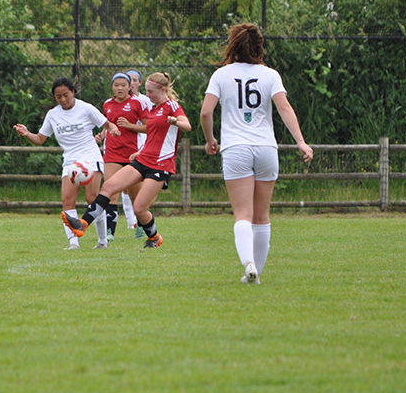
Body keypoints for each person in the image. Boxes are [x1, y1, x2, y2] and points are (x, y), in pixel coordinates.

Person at [200, 23, 313, 285]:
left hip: (236, 149)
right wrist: (301, 141)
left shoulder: (221, 75)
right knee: (262, 217)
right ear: (259, 46)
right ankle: (256, 274)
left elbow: (206, 112)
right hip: (266, 149)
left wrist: (210, 139)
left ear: (233, 45)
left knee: (242, 215)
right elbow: (284, 108)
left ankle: (247, 263)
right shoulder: (270, 75)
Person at [62, 72, 191, 249]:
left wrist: (176, 122)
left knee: (139, 208)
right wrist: (140, 152)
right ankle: (82, 224)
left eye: (150, 91)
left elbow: (187, 125)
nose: (148, 95)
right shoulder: (153, 109)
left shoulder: (172, 106)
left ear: (162, 89)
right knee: (109, 187)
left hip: (160, 164)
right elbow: (153, 137)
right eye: (146, 90)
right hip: (144, 159)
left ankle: (154, 237)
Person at [14, 76, 120, 250]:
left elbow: (106, 124)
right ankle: (73, 243)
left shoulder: (86, 108)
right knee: (67, 201)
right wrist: (27, 133)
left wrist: (113, 129)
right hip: (71, 162)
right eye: (58, 97)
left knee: (92, 199)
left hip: (90, 157)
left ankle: (102, 241)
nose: (63, 99)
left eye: (66, 95)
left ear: (73, 92)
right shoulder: (53, 115)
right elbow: (40, 139)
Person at [93, 72, 148, 242]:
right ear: (112, 87)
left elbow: (148, 127)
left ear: (129, 87)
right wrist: (102, 134)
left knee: (135, 195)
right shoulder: (107, 104)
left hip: (132, 154)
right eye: (116, 85)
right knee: (111, 191)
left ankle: (140, 227)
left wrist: (130, 126)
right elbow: (107, 123)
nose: (120, 88)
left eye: (123, 85)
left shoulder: (137, 103)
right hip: (112, 154)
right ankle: (110, 231)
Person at [122, 70, 153, 239]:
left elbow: (149, 123)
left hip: (141, 144)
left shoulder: (145, 100)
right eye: (129, 80)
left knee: (135, 185)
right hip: (123, 145)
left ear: (139, 83)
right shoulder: (116, 101)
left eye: (134, 80)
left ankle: (139, 223)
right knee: (125, 187)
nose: (131, 83)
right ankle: (130, 221)